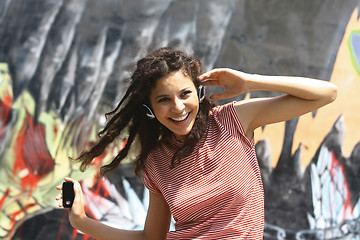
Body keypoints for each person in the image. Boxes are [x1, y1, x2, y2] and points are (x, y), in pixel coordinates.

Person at [56, 47, 338, 239]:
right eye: (164, 100)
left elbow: (326, 94)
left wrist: (250, 82)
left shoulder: (232, 121)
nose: (177, 107)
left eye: (185, 94)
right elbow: (151, 237)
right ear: (150, 109)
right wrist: (82, 222)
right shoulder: (156, 162)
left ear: (199, 92)